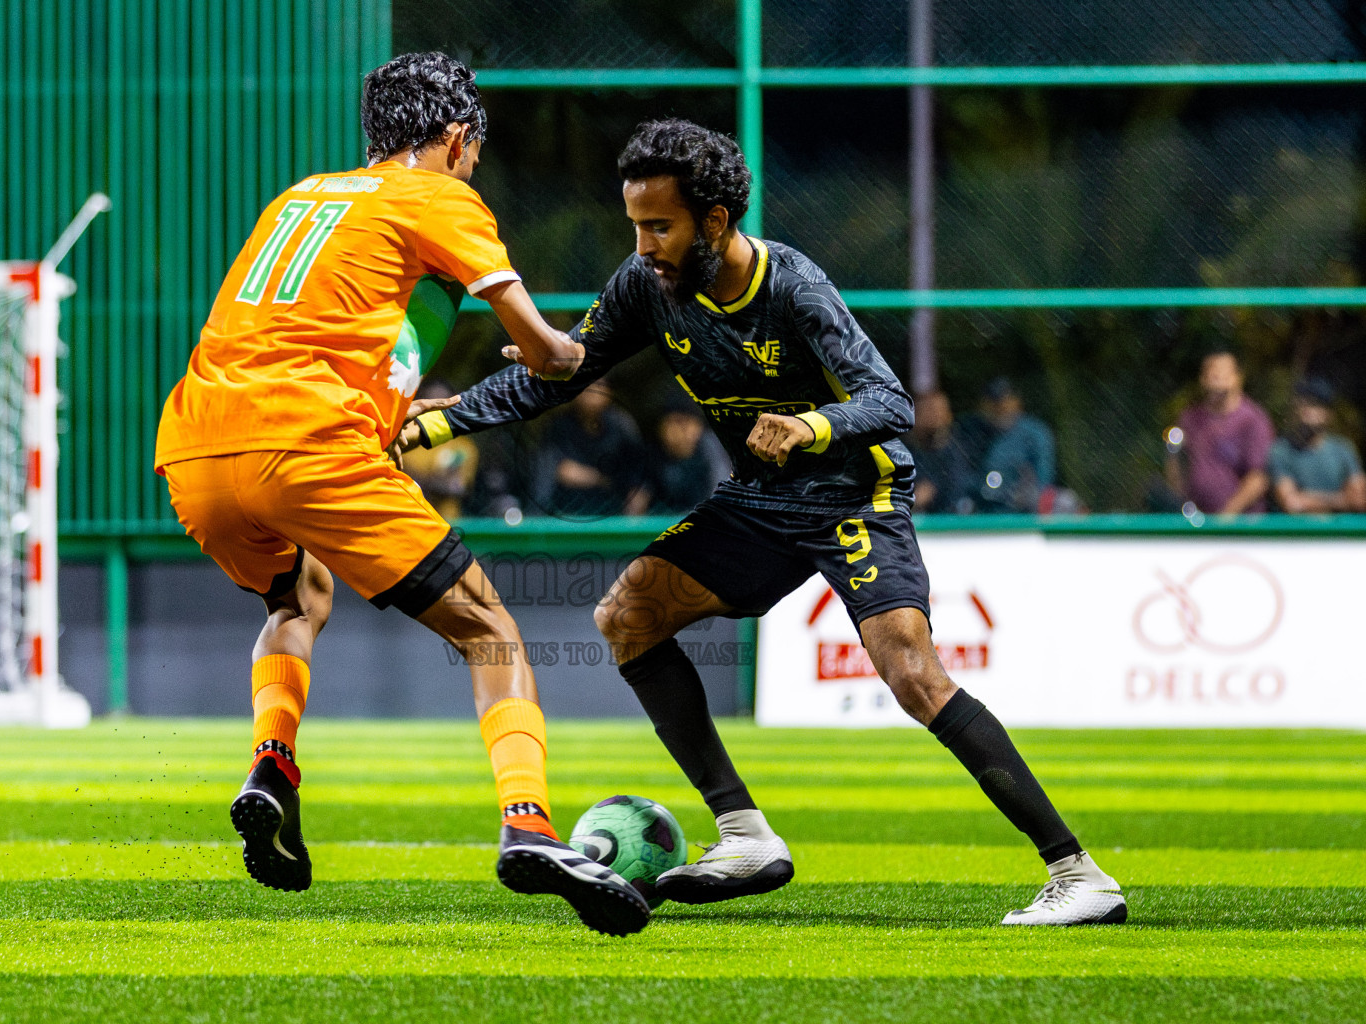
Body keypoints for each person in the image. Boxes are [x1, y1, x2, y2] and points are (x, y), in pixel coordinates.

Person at [399, 119, 1125, 926]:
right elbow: (561, 373)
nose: (642, 245)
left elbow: (890, 401)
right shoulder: (647, 286)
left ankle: (1078, 873)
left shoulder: (793, 285)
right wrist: (439, 422)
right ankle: (744, 833)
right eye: (635, 225)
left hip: (855, 496)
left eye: (659, 226)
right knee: (628, 615)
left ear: (714, 221)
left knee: (913, 675)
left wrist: (810, 426)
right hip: (761, 501)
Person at [153, 52, 649, 936]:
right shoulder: (438, 195)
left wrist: (397, 406)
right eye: (475, 154)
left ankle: (272, 765)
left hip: (196, 443)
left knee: (296, 596)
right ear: (457, 139)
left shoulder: (300, 196)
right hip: (304, 445)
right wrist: (573, 356)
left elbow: (305, 335)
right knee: (490, 631)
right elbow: (542, 347)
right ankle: (528, 826)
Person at [1166, 350, 1274, 514]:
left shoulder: (1254, 421)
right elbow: (1175, 462)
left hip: (1240, 524)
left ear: (1237, 378)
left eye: (1222, 375)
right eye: (1211, 375)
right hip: (1195, 521)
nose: (1215, 381)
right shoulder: (1189, 418)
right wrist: (1182, 506)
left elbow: (1259, 477)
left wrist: (1226, 516)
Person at [532, 379, 647, 517]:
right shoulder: (559, 426)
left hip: (613, 508)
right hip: (566, 510)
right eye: (586, 385)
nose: (592, 392)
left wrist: (634, 491)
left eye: (599, 385)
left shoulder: (622, 425)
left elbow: (638, 471)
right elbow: (563, 472)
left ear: (609, 392)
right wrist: (603, 479)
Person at [957, 377, 1055, 514]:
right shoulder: (969, 430)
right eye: (993, 402)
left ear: (1017, 402)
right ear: (982, 405)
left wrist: (1024, 492)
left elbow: (1043, 479)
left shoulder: (1035, 433)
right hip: (979, 510)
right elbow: (958, 474)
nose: (999, 407)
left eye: (1005, 400)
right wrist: (981, 489)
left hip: (1021, 512)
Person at [1268, 379, 1366, 514]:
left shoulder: (1343, 449)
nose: (1308, 410)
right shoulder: (1281, 450)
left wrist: (1307, 498)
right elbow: (1291, 502)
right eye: (1304, 403)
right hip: (1297, 532)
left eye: (1316, 404)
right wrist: (1342, 500)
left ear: (1329, 413)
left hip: (1339, 532)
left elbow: (1359, 499)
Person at [639, 395, 733, 515]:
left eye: (685, 423)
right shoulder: (651, 454)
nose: (678, 431)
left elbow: (722, 494)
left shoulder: (711, 449)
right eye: (673, 422)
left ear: (699, 426)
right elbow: (637, 503)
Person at [400, 379, 479, 518]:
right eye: (431, 403)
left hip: (447, 522)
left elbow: (456, 488)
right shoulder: (405, 440)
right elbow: (400, 484)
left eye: (443, 403)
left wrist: (421, 481)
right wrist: (436, 481)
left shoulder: (463, 447)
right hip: (409, 518)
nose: (436, 410)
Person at [907, 390, 975, 514]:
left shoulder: (963, 450)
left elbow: (964, 492)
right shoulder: (901, 452)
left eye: (938, 410)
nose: (934, 416)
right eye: (928, 410)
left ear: (949, 415)